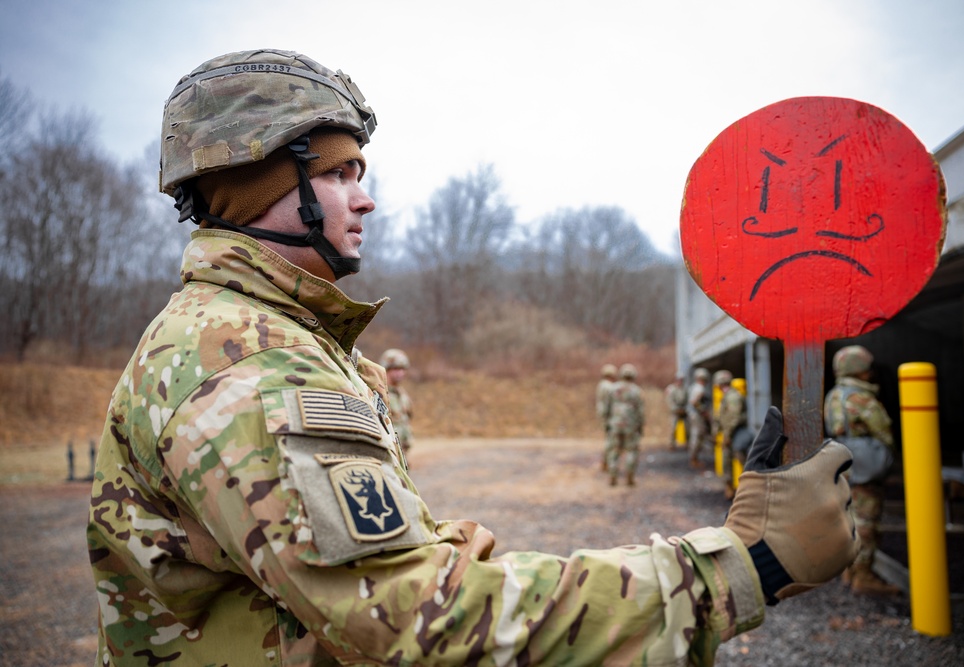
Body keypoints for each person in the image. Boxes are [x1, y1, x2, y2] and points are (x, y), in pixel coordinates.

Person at [87, 49, 859, 666]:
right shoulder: (245, 367)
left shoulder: (279, 339)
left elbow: (401, 569)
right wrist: (732, 570)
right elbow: (414, 621)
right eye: (334, 171)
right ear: (250, 185)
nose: (365, 199)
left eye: (361, 172)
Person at [824, 344, 900, 596]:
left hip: (845, 468)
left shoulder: (834, 396)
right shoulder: (862, 398)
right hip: (865, 470)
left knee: (848, 519)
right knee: (867, 521)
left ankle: (849, 570)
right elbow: (883, 432)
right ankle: (864, 576)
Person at [604, 363, 645, 486]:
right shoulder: (636, 391)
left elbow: (606, 408)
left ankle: (613, 476)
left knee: (614, 451)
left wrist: (607, 423)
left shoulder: (612, 389)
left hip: (615, 424)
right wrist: (640, 426)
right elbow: (640, 411)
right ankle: (630, 477)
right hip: (630, 426)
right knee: (631, 450)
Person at [712, 370, 747, 500]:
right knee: (727, 461)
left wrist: (727, 435)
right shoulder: (727, 396)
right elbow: (722, 417)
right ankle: (730, 488)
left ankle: (747, 491)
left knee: (742, 460)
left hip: (736, 434)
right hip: (730, 434)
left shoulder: (732, 397)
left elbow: (734, 418)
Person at [380, 348, 415, 457]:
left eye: (402, 369)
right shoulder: (380, 394)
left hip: (403, 452)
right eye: (395, 369)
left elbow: (408, 418)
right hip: (388, 453)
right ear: (386, 369)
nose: (400, 373)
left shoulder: (402, 394)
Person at [687, 367, 713, 469]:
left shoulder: (693, 387)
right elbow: (694, 402)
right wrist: (703, 411)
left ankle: (694, 458)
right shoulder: (699, 388)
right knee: (697, 436)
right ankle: (694, 458)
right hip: (697, 416)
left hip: (693, 415)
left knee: (697, 436)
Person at [596, 363, 618, 470]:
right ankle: (606, 461)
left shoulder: (601, 384)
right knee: (611, 440)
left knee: (609, 438)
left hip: (604, 415)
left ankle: (606, 461)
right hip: (609, 416)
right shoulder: (609, 386)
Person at [665, 372, 688, 450]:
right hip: (675, 411)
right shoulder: (671, 389)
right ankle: (671, 444)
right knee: (673, 428)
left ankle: (687, 443)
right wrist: (676, 409)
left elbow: (687, 400)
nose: (680, 381)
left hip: (684, 411)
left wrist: (684, 409)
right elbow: (670, 401)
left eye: (681, 380)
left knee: (687, 427)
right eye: (679, 380)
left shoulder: (684, 389)